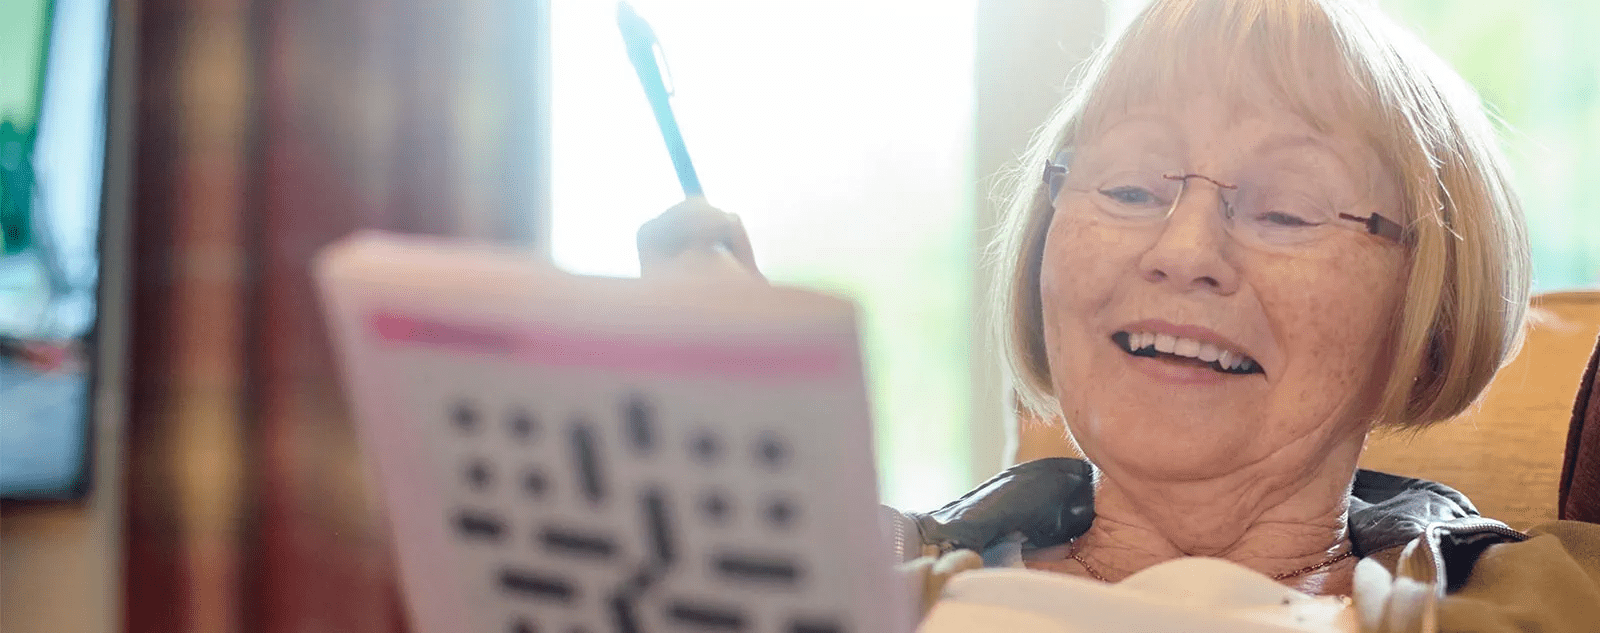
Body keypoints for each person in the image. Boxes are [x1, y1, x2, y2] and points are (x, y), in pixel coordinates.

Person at [639, 0, 1600, 629]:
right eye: (1132, 188)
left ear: (1423, 309)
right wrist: (742, 503)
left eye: (1286, 209)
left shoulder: (1557, 604)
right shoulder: (855, 584)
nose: (1181, 251)